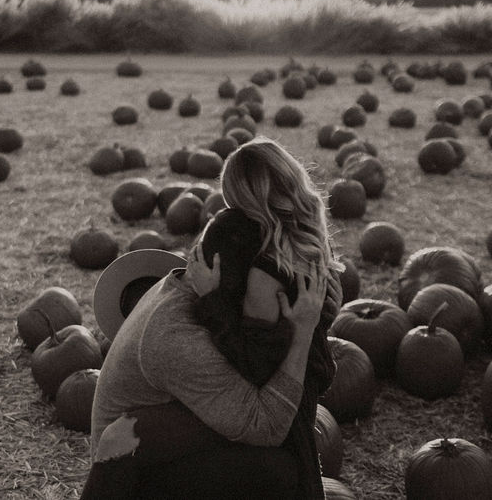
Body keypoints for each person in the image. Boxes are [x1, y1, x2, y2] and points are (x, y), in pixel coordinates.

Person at [83, 137, 343, 499]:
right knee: (278, 471)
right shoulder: (175, 337)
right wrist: (301, 331)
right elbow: (266, 424)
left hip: (166, 432)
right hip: (133, 474)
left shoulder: (207, 285)